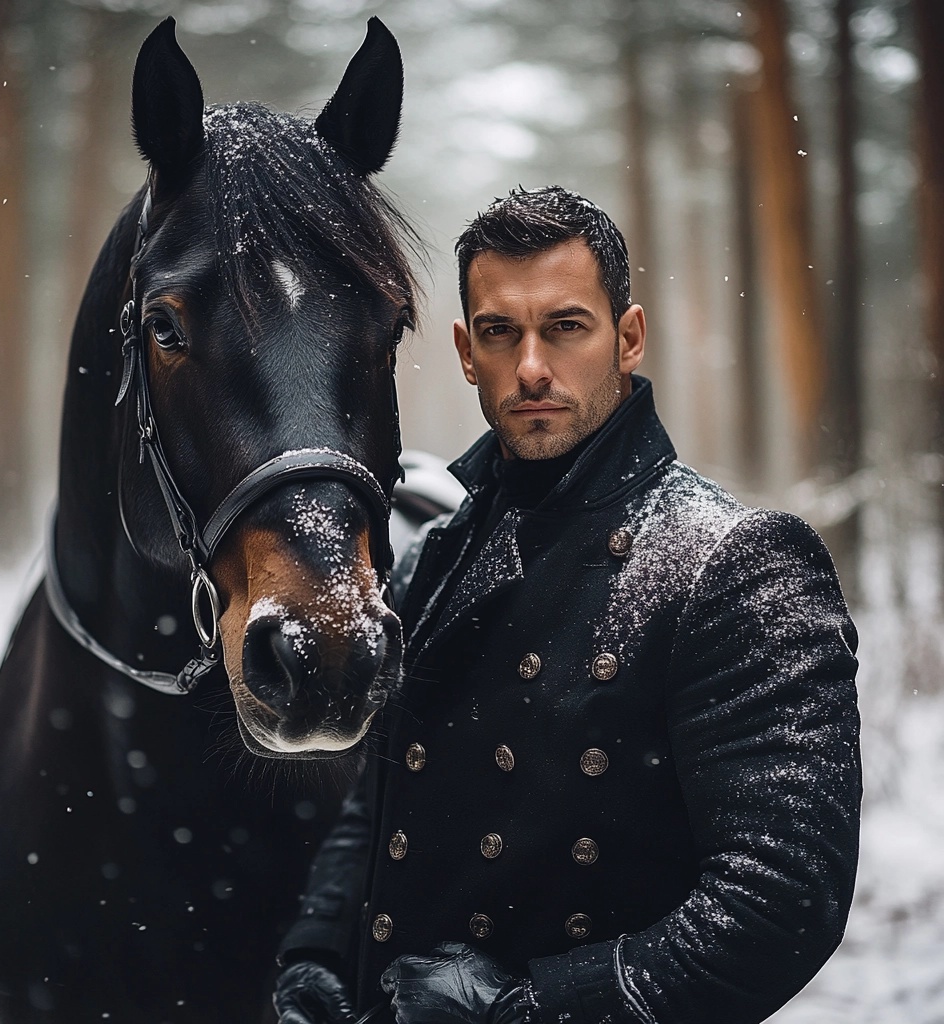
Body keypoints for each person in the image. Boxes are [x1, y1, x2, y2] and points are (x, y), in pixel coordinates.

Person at [272, 186, 861, 1024]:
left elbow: (781, 896)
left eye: (566, 327)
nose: (532, 367)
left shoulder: (735, 561)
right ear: (466, 352)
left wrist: (527, 1010)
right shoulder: (437, 553)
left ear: (628, 338)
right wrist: (320, 953)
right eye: (500, 332)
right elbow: (381, 802)